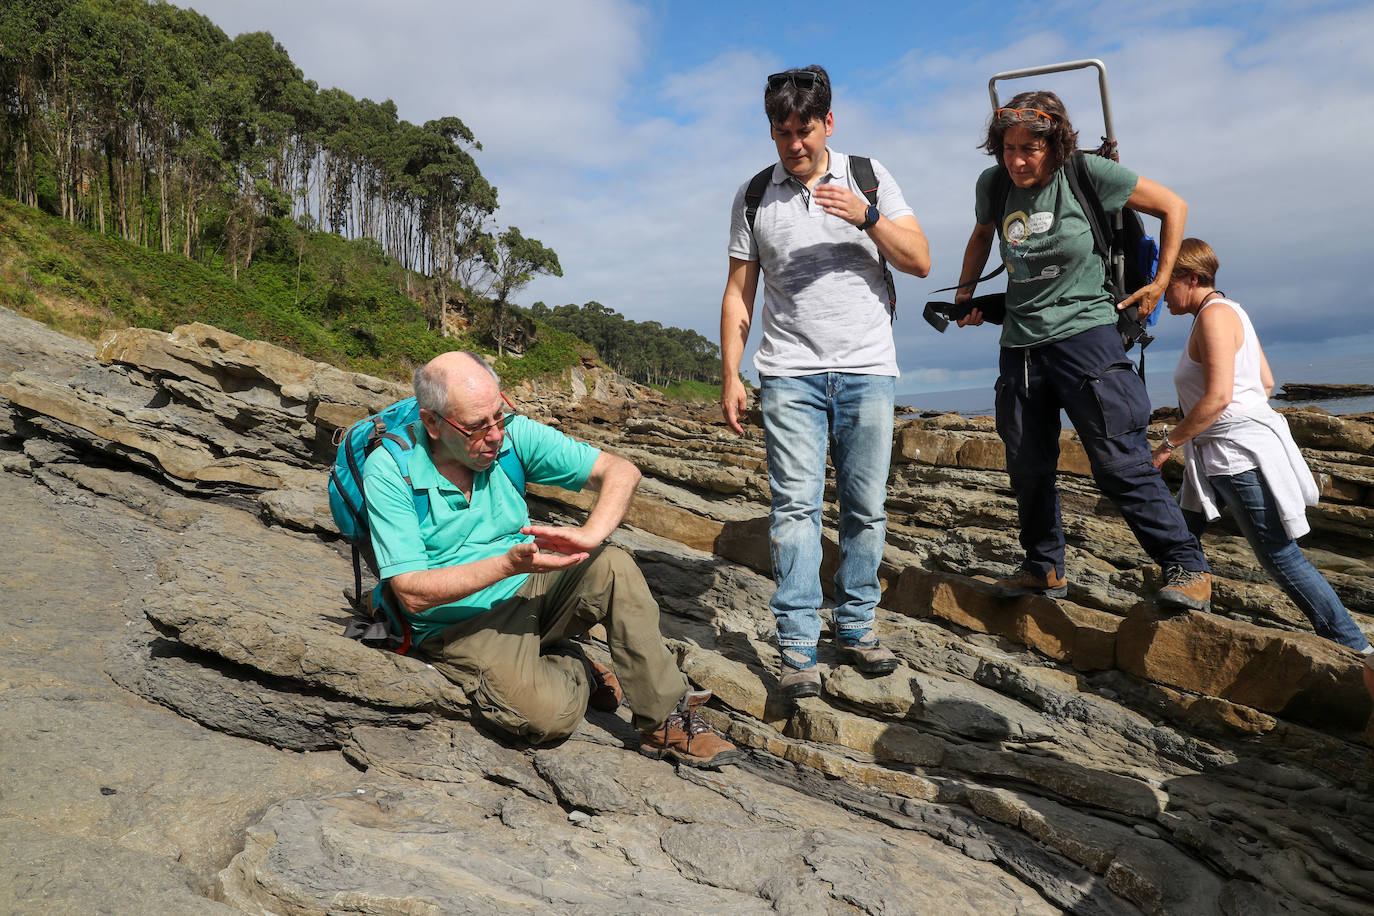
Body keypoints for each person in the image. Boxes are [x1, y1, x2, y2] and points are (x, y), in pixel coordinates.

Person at [364, 350, 738, 768]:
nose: (494, 436)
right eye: (475, 427)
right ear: (432, 422)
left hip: (531, 585)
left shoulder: (511, 436)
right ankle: (573, 665)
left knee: (612, 564)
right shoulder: (391, 470)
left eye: (498, 416)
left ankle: (664, 720)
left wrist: (591, 535)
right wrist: (507, 565)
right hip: (459, 620)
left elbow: (621, 471)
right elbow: (412, 594)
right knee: (546, 718)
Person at [719, 65, 931, 700]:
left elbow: (920, 261)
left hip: (868, 370)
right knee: (795, 512)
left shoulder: (869, 177)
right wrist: (730, 373)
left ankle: (858, 627)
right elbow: (738, 293)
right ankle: (796, 646)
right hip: (789, 376)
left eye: (804, 130)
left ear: (828, 123)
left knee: (866, 509)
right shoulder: (755, 195)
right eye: (781, 132)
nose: (794, 145)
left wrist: (866, 218)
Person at [952, 90, 1211, 610]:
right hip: (1021, 345)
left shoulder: (1088, 173)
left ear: (1056, 143)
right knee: (1028, 464)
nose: (1018, 160)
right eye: (1008, 148)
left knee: (1118, 460)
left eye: (1030, 147)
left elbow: (1172, 205)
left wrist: (1160, 282)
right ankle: (1043, 567)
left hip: (1088, 334)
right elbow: (982, 235)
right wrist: (964, 294)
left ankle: (1186, 565)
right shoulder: (995, 184)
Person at [1151, 239, 1372, 652]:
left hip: (1234, 456)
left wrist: (1167, 444)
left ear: (1192, 279)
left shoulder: (1214, 318)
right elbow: (1265, 383)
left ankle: (1356, 647)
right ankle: (1186, 611)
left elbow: (1217, 398)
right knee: (1183, 535)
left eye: (1168, 282)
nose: (1162, 292)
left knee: (1279, 556)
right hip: (1224, 449)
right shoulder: (1230, 312)